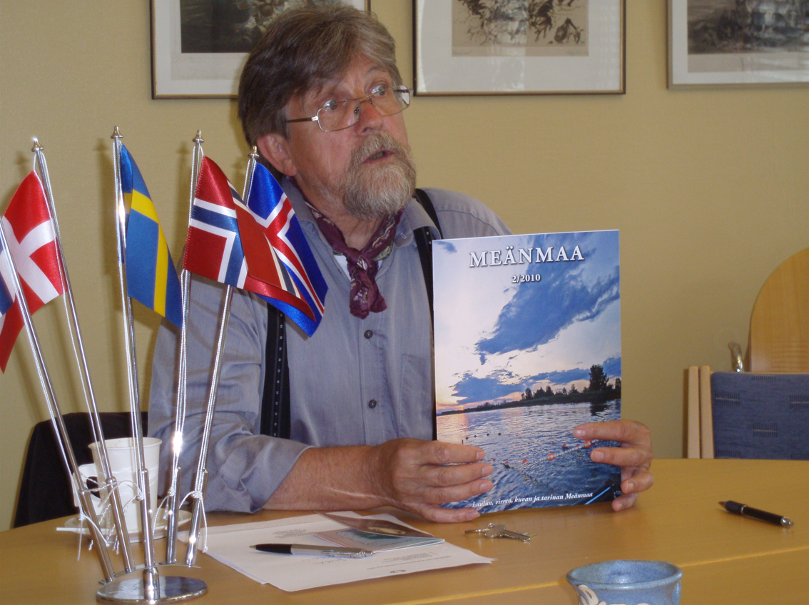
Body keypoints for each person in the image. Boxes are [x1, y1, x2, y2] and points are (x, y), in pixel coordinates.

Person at [148, 5, 652, 523]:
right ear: (280, 150)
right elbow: (187, 462)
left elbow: (526, 426)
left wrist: (600, 462)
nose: (371, 119)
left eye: (381, 89)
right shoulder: (230, 265)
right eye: (333, 105)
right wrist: (370, 476)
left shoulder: (467, 232)